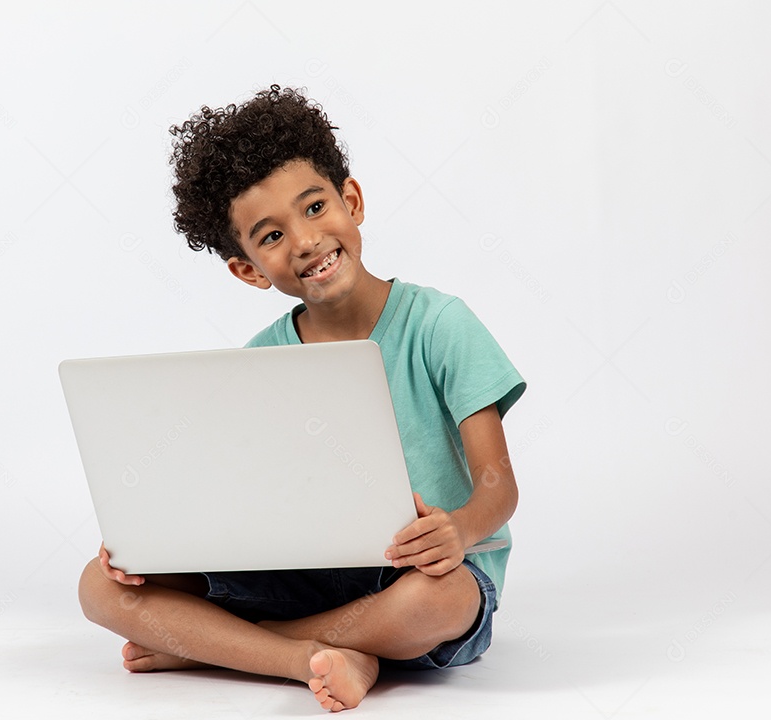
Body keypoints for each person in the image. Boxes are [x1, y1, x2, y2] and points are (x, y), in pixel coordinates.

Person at [77, 85, 526, 713]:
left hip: (416, 575)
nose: (306, 240)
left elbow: (498, 488)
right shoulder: (262, 358)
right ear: (249, 270)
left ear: (352, 200)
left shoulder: (439, 325)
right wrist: (147, 548)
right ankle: (311, 657)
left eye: (315, 207)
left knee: (444, 598)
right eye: (270, 236)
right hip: (299, 575)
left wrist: (458, 531)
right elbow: (233, 498)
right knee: (99, 586)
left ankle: (221, 648)